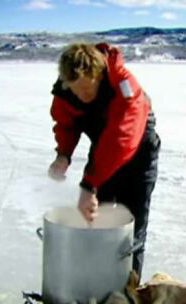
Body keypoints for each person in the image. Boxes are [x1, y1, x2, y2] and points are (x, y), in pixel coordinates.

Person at [48, 43, 160, 280]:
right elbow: (66, 124)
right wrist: (63, 155)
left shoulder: (124, 85)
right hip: (104, 152)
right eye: (76, 91)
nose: (83, 97)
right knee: (99, 222)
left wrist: (90, 185)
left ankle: (129, 293)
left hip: (138, 151)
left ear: (99, 75)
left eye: (87, 90)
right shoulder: (65, 90)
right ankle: (97, 287)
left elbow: (121, 139)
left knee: (131, 226)